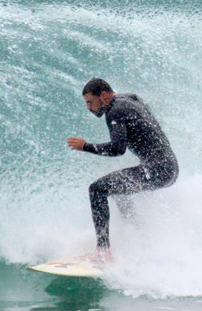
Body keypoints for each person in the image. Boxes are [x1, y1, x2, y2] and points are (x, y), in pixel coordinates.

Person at [67, 78, 179, 262]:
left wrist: (85, 146)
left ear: (103, 96)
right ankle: (139, 239)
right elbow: (141, 102)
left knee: (97, 189)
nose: (88, 108)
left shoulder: (114, 112)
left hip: (158, 169)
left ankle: (102, 252)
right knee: (119, 191)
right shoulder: (128, 99)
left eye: (90, 102)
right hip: (168, 167)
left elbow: (118, 149)